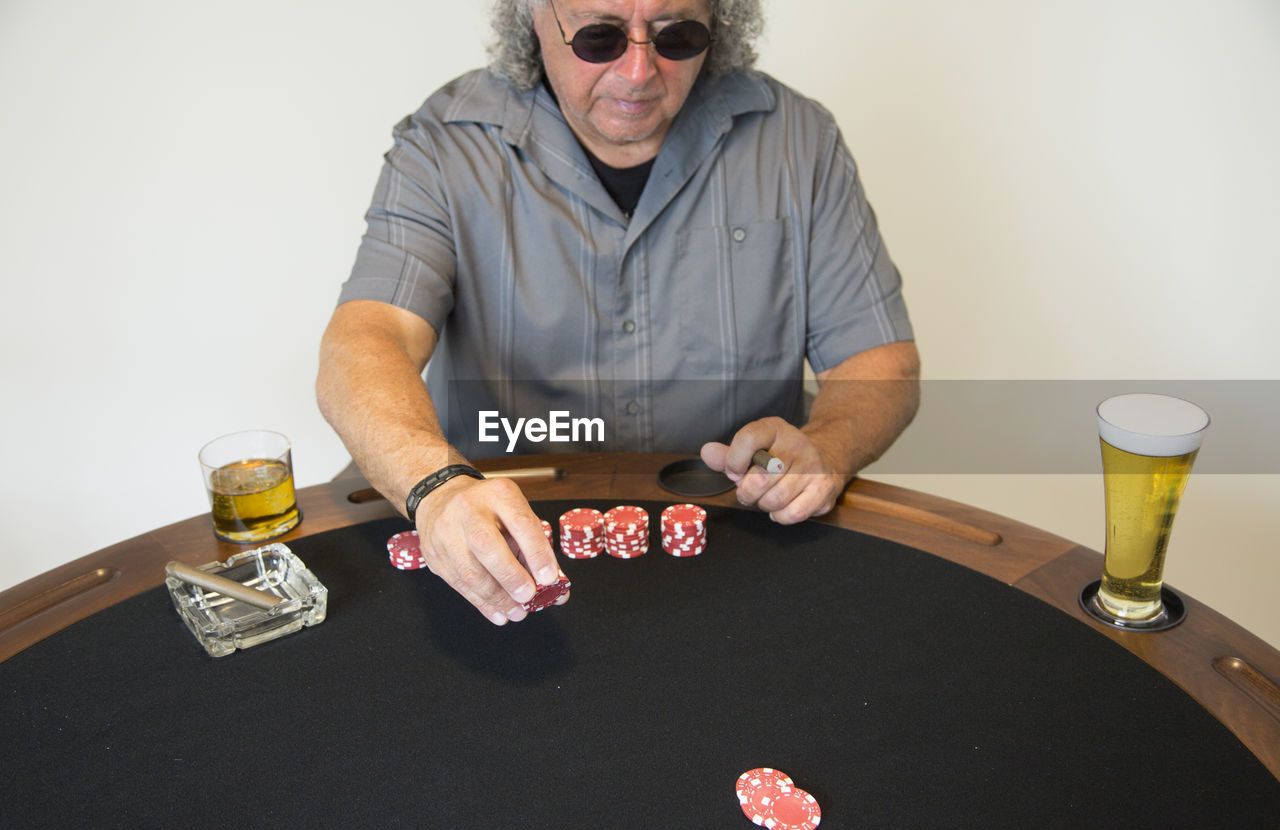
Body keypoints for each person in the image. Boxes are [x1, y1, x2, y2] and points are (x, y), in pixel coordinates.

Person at [316, 0, 920, 626]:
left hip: (734, 549)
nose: (638, 72)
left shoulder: (799, 141)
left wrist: (829, 443)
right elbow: (362, 343)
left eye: (677, 35)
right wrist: (434, 488)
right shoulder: (444, 145)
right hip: (491, 547)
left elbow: (879, 359)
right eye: (599, 38)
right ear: (534, 19)